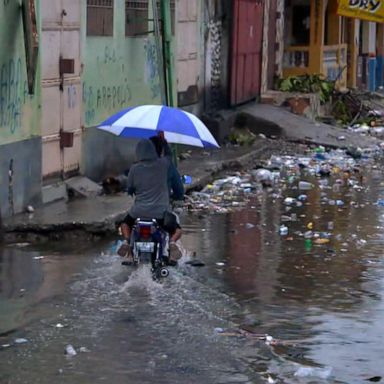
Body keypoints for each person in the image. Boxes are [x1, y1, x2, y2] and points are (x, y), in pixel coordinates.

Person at [117, 137, 181, 264]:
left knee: (125, 223)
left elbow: (129, 189)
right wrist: (164, 142)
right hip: (160, 214)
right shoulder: (163, 165)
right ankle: (172, 242)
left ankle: (126, 241)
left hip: (138, 212)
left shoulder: (134, 168)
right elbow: (169, 156)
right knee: (177, 229)